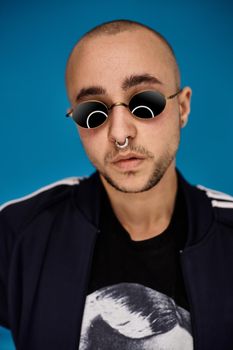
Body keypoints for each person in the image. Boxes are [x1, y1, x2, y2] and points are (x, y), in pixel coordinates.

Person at [0, 19, 233, 350]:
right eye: (93, 112)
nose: (120, 134)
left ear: (182, 107)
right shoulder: (19, 233)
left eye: (145, 103)